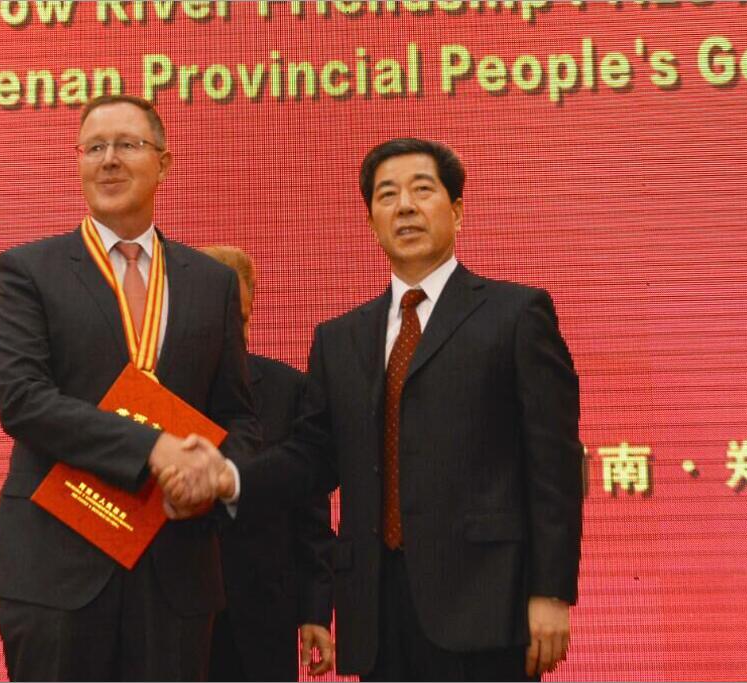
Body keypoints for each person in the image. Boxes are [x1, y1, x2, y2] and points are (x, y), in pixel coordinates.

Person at [165, 138, 584, 681]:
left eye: (422, 190)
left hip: (487, 604)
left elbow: (553, 465)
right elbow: (312, 457)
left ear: (457, 210)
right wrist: (229, 477)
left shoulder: (516, 314)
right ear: (371, 222)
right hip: (377, 610)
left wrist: (551, 591)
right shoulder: (340, 338)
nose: (404, 206)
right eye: (387, 195)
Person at [0, 94, 260, 681]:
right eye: (94, 148)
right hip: (57, 567)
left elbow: (239, 416)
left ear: (164, 163)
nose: (109, 159)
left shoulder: (211, 283)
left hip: (175, 566)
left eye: (127, 145)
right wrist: (153, 448)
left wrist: (214, 475)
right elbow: (23, 400)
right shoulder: (29, 270)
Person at [199, 246, 336, 680]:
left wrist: (315, 611)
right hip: (172, 622)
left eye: (237, 318)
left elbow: (310, 514)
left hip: (263, 621)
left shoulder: (289, 390)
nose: (227, 332)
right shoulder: (151, 392)